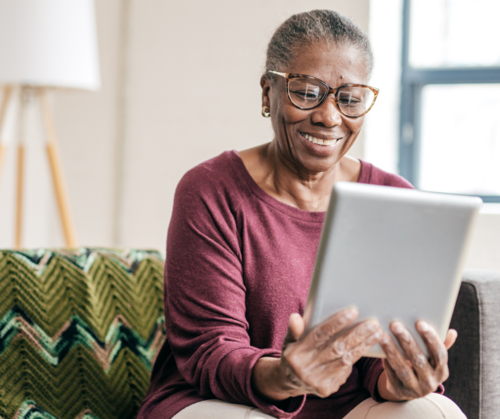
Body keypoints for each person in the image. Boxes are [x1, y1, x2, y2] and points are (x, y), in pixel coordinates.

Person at [138, 10, 466, 419]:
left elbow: (377, 352)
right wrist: (286, 377)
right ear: (267, 92)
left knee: (433, 411)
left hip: (348, 407)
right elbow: (211, 351)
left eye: (349, 99)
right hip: (224, 402)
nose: (329, 117)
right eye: (307, 92)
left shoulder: (392, 198)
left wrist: (397, 380)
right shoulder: (211, 190)